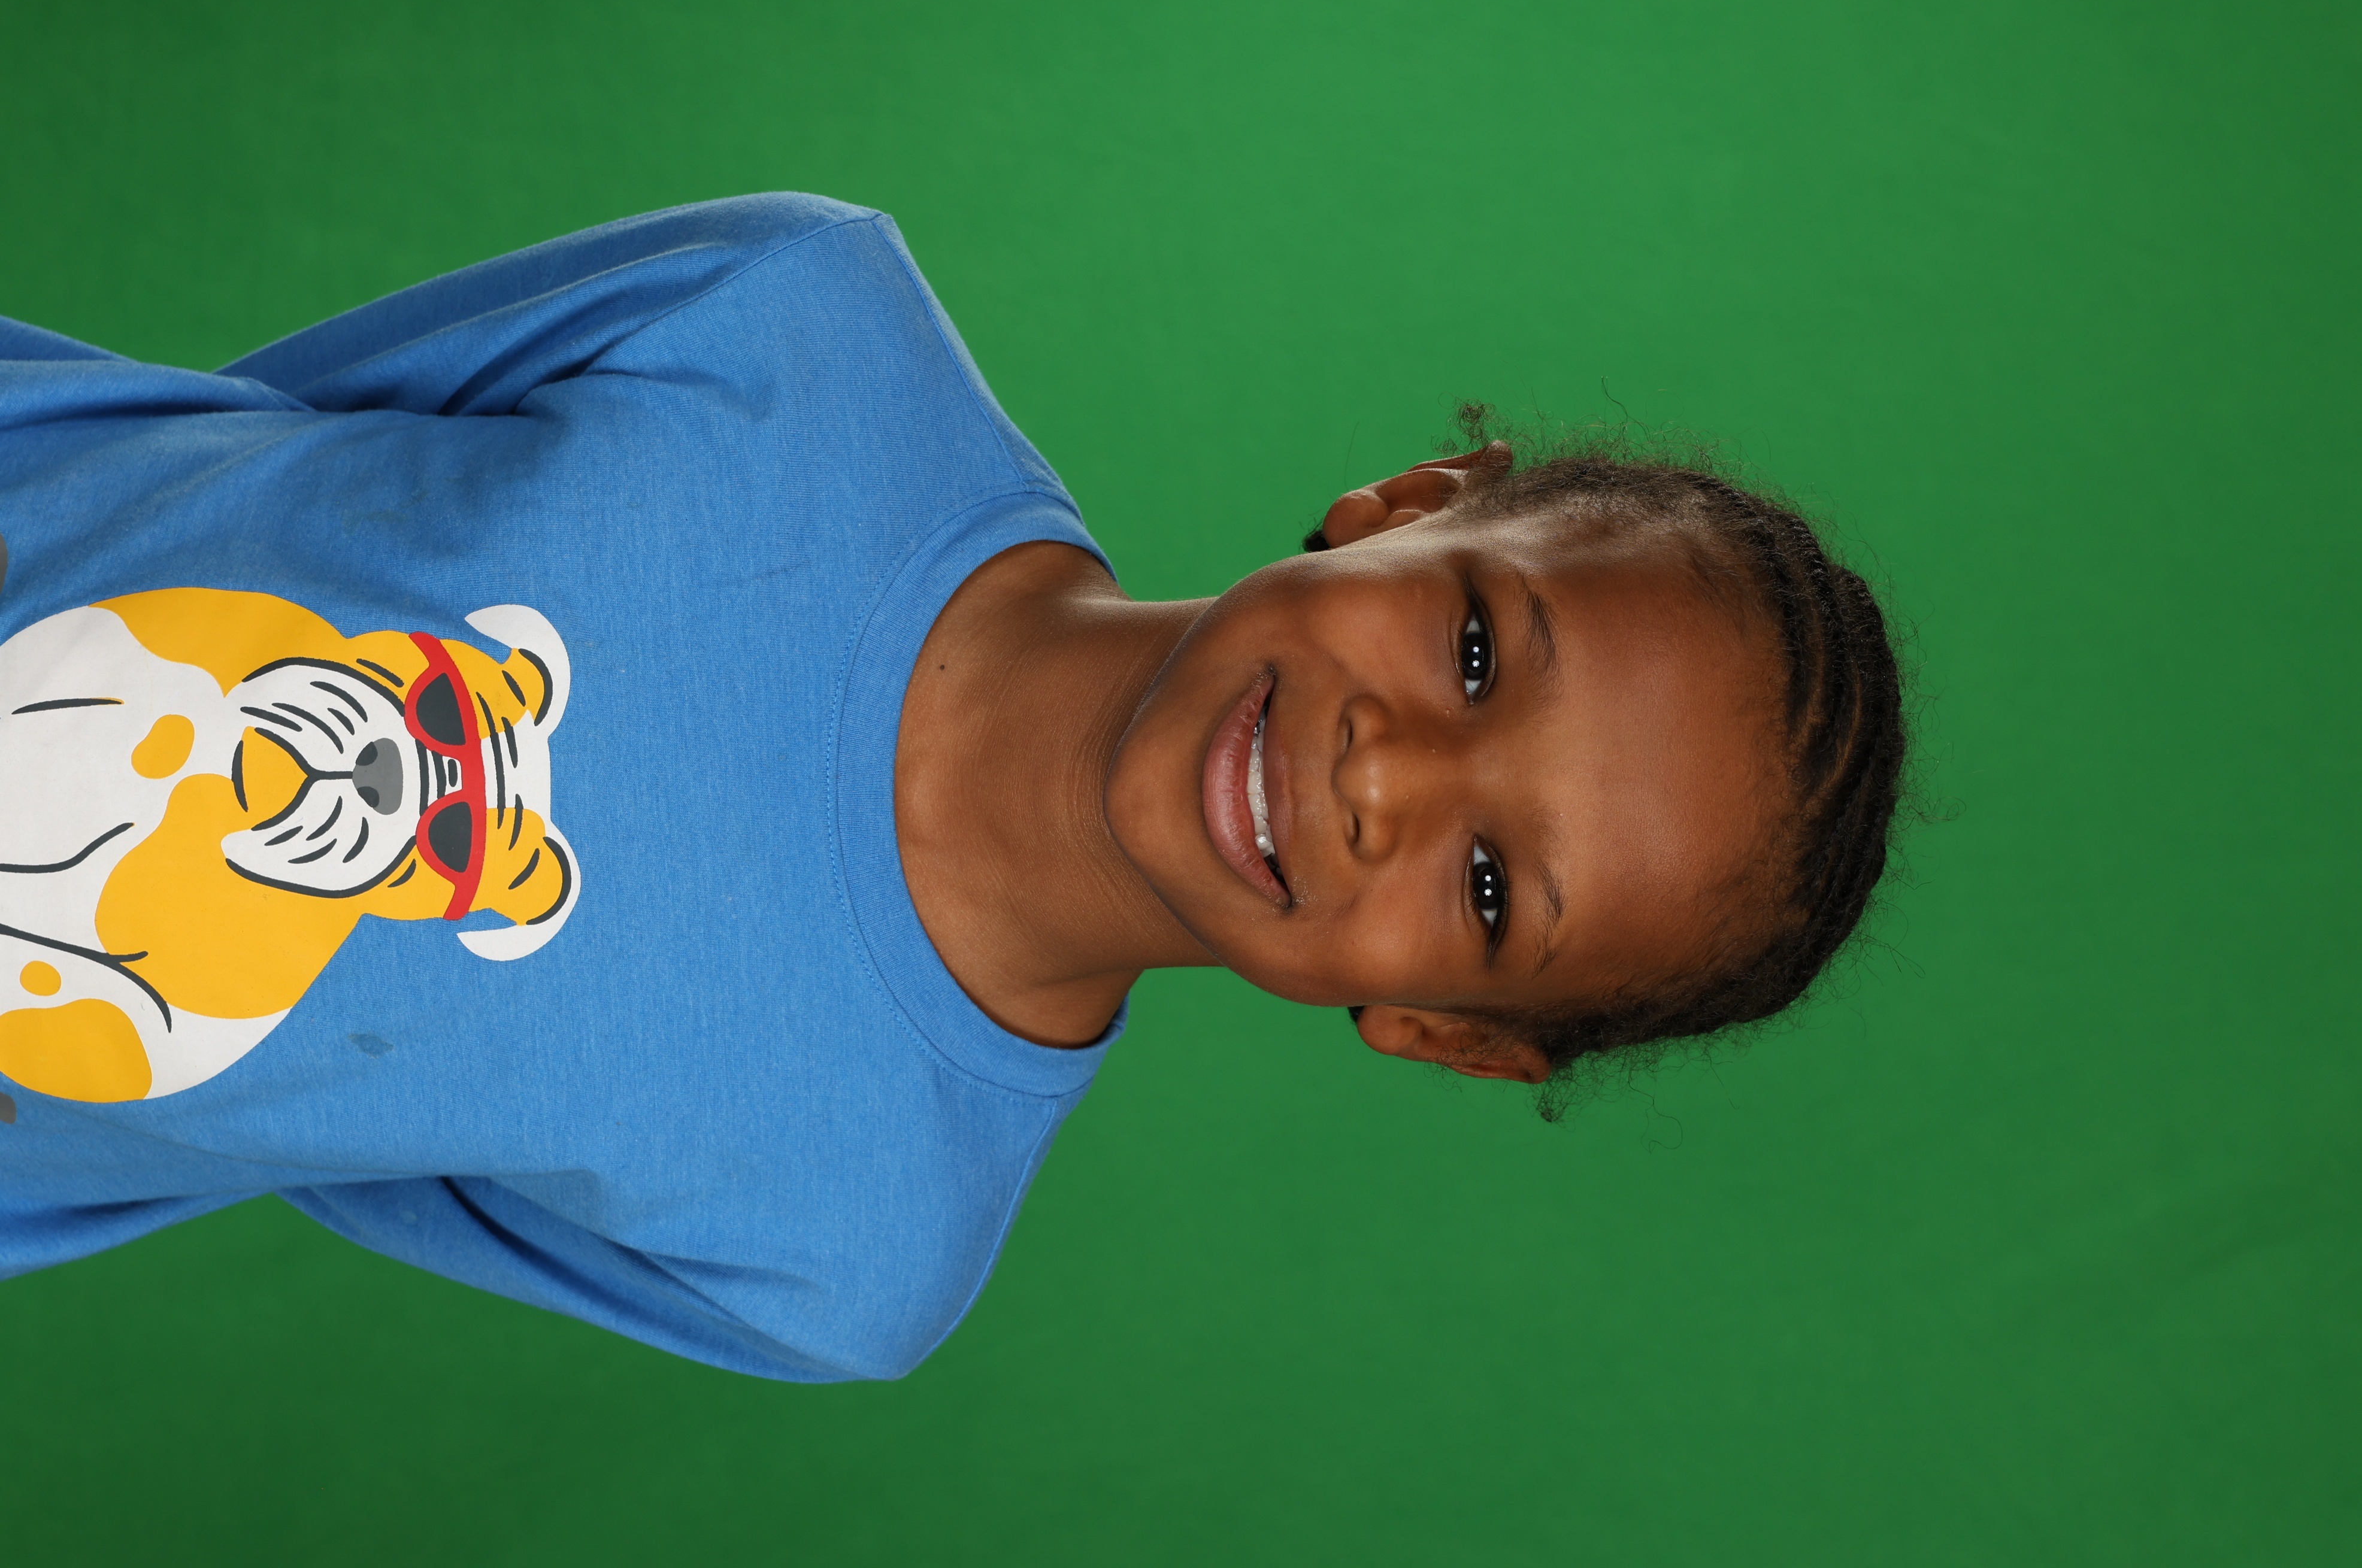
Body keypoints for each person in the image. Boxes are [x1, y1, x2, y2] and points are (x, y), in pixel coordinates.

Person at [0, 194, 1907, 1381]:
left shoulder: (840, 1259)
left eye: (1490, 891)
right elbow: (236, 447)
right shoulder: (800, 322)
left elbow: (312, 1141)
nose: (1384, 779)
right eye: (1476, 652)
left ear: (1444, 1032)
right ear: (1415, 504)